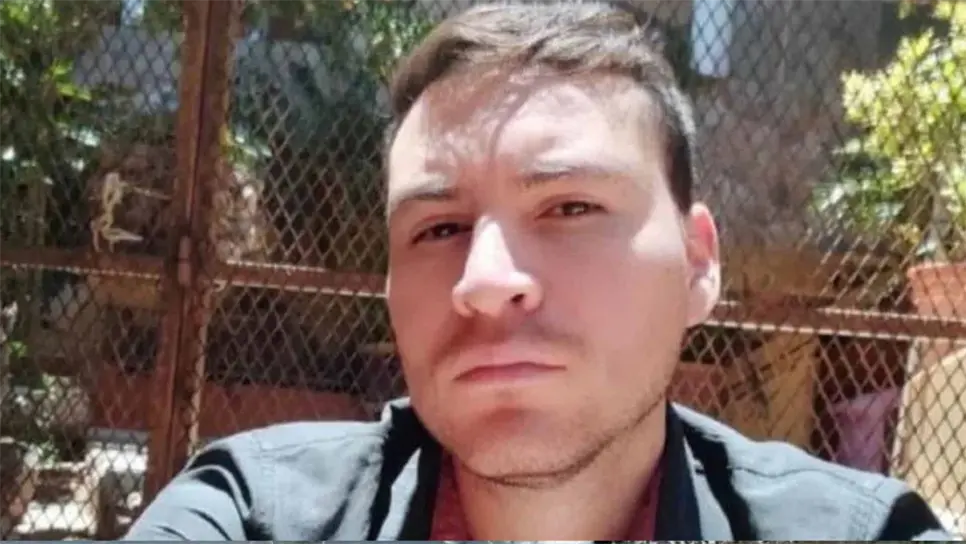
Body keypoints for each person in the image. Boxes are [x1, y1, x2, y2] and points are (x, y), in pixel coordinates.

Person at [124, 1, 954, 540]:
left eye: (570, 208)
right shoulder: (253, 514)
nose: (484, 279)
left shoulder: (862, 534)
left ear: (698, 263)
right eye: (439, 227)